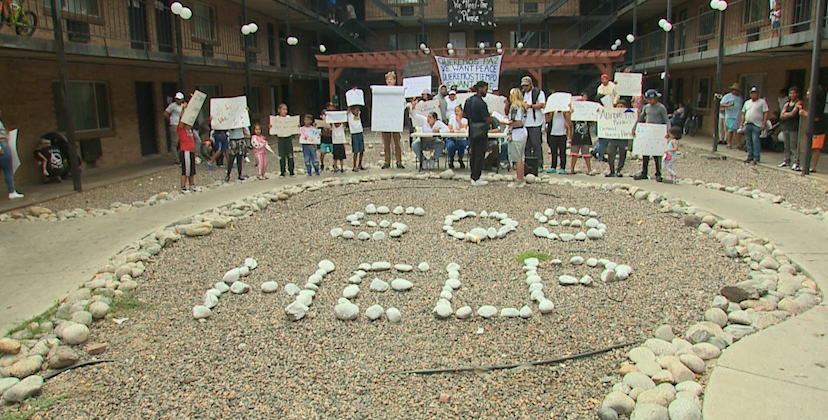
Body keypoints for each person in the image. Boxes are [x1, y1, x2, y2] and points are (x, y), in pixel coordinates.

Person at [633, 89, 671, 182]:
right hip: (647, 132)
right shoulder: (646, 107)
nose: (650, 101)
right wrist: (634, 128)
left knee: (656, 155)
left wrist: (668, 130)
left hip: (657, 132)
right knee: (645, 153)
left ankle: (658, 173)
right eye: (649, 99)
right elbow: (641, 118)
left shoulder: (661, 108)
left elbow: (666, 119)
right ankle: (644, 172)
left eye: (652, 99)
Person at [464, 81, 491, 186]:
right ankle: (476, 177)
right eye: (485, 89)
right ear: (480, 88)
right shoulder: (481, 103)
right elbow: (486, 118)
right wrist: (492, 118)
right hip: (481, 130)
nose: (486, 91)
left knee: (473, 153)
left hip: (471, 129)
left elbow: (465, 114)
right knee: (479, 154)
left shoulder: (468, 101)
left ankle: (472, 175)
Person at [520, 76, 546, 170]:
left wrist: (531, 106)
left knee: (536, 145)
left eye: (526, 85)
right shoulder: (522, 94)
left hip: (535, 122)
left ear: (531, 84)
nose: (525, 88)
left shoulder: (538, 93)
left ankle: (539, 164)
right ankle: (527, 164)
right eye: (523, 86)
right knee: (526, 145)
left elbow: (542, 104)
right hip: (525, 123)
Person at [799, 86, 826, 173]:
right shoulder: (813, 103)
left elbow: (816, 117)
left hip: (818, 129)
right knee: (810, 147)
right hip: (813, 128)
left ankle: (813, 166)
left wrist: (805, 113)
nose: (807, 92)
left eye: (809, 90)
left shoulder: (817, 104)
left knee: (816, 148)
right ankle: (806, 164)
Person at [380, 71, 404, 169]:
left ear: (394, 80)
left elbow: (403, 103)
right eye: (388, 79)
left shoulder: (399, 91)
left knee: (397, 142)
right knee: (386, 142)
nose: (389, 81)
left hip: (395, 119)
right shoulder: (382, 92)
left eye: (391, 79)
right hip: (386, 119)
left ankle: (399, 161)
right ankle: (387, 161)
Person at [741, 87, 770, 164]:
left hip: (757, 124)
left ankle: (756, 157)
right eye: (752, 93)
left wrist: (764, 123)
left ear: (757, 94)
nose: (753, 94)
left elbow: (766, 112)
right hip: (748, 123)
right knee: (748, 141)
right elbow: (743, 113)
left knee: (755, 140)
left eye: (755, 93)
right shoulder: (747, 102)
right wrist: (742, 124)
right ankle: (750, 156)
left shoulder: (762, 102)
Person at [606, 100, 634, 177]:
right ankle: (611, 170)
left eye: (622, 106)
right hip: (613, 137)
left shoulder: (629, 114)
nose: (620, 108)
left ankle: (619, 170)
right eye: (618, 106)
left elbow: (634, 116)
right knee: (610, 154)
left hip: (623, 138)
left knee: (622, 154)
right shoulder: (611, 113)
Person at [507, 88, 528, 188]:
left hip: (516, 133)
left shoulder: (515, 106)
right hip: (522, 132)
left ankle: (519, 179)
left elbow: (517, 121)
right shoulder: (523, 106)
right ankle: (521, 177)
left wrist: (506, 122)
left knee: (517, 158)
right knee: (521, 157)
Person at [779, 86, 803, 169]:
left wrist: (786, 114)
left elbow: (793, 114)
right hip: (786, 126)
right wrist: (786, 115)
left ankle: (796, 162)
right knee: (786, 145)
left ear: (797, 94)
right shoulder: (787, 103)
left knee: (794, 145)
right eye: (790, 93)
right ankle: (786, 160)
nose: (792, 95)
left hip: (794, 127)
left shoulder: (799, 103)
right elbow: (781, 115)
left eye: (794, 93)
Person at [176, 106, 197, 193]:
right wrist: (183, 109)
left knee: (192, 169)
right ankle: (183, 187)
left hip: (191, 151)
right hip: (185, 151)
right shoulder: (181, 129)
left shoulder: (189, 129)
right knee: (185, 170)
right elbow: (182, 120)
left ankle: (192, 185)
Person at [272, 104, 296, 177]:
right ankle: (282, 171)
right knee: (281, 155)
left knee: (290, 155)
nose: (285, 111)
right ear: (279, 110)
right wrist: (271, 127)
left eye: (286, 109)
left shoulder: (289, 118)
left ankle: (291, 170)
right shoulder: (276, 119)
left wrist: (296, 126)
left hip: (288, 137)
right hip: (281, 138)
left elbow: (293, 126)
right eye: (283, 109)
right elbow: (273, 129)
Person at [545, 106, 571, 174]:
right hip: (553, 133)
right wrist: (548, 112)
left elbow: (569, 121)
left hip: (562, 134)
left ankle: (562, 167)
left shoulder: (564, 113)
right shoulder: (553, 112)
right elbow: (548, 120)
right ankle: (553, 166)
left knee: (562, 152)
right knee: (554, 152)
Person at [164, 92, 185, 165]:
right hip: (174, 124)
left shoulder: (183, 106)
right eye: (176, 99)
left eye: (179, 99)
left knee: (181, 141)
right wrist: (171, 119)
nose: (178, 100)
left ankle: (180, 157)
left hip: (181, 125)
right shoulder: (172, 105)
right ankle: (176, 159)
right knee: (175, 142)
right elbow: (166, 113)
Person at [569, 110, 593, 175]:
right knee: (574, 154)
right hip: (576, 137)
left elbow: (593, 122)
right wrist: (570, 113)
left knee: (586, 155)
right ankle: (572, 169)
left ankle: (589, 169)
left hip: (586, 138)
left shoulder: (587, 117)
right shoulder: (574, 117)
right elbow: (570, 124)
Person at [721, 83, 744, 149]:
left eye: (737, 90)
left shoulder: (740, 97)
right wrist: (728, 105)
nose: (736, 91)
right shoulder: (727, 96)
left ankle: (738, 143)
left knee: (738, 130)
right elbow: (722, 104)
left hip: (738, 115)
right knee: (730, 130)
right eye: (735, 90)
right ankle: (729, 143)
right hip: (730, 115)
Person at [347, 105, 365, 171]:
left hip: (360, 132)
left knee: (362, 150)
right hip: (354, 133)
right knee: (356, 151)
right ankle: (354, 166)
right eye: (356, 110)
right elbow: (347, 111)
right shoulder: (350, 116)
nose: (357, 112)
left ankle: (360, 164)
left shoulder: (358, 115)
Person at [320, 102, 335, 171]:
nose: (331, 108)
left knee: (334, 152)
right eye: (329, 106)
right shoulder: (323, 115)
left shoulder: (335, 115)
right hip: (324, 137)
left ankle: (334, 164)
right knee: (322, 152)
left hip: (332, 136)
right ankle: (322, 163)